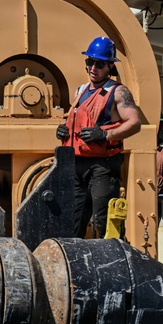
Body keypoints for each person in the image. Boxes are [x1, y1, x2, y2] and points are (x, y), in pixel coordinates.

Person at [56, 37, 143, 238]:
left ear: (110, 66)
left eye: (100, 63)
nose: (93, 67)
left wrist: (105, 134)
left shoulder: (118, 92)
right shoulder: (81, 90)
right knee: (72, 221)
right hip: (77, 165)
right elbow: (78, 120)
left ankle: (115, 261)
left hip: (102, 167)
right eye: (90, 62)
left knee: (104, 222)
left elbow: (134, 122)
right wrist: (63, 131)